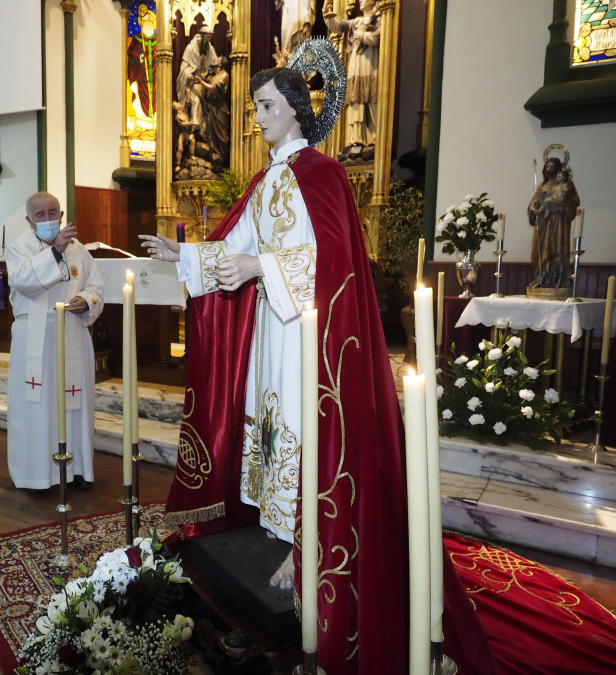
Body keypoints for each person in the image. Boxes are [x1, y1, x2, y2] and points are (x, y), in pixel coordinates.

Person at [142, 68, 499, 675]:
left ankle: (309, 545)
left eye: (265, 104)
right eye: (254, 105)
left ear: (294, 110)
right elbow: (241, 243)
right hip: (270, 334)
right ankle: (281, 533)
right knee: (275, 427)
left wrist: (260, 268)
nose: (257, 116)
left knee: (308, 430)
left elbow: (330, 259)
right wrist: (191, 254)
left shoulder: (323, 174)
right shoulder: (266, 179)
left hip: (309, 333)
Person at [5, 192, 104, 491]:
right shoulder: (18, 249)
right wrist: (55, 252)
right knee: (37, 406)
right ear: (28, 220)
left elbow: (96, 284)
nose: (48, 219)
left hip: (72, 330)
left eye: (53, 212)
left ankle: (77, 470)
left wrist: (86, 300)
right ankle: (36, 475)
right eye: (40, 214)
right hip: (34, 337)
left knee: (73, 402)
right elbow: (25, 281)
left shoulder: (79, 250)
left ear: (61, 215)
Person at [323, 0, 380, 154]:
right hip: (356, 67)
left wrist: (362, 36)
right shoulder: (356, 22)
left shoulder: (380, 18)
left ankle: (371, 138)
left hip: (371, 66)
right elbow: (337, 25)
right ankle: (355, 139)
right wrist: (326, 11)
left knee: (370, 96)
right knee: (355, 99)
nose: (360, 1)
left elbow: (378, 37)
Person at [528, 160, 580, 288]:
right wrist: (533, 207)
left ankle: (558, 279)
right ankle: (542, 278)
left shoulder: (567, 184)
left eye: (552, 166)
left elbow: (574, 201)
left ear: (558, 169)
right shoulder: (541, 186)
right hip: (544, 224)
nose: (549, 168)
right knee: (541, 250)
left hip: (559, 223)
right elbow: (535, 202)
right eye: (547, 166)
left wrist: (562, 206)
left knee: (558, 248)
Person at [192, 56, 231, 173]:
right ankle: (213, 158)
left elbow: (214, 89)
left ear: (220, 63)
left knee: (221, 136)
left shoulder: (224, 75)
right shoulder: (213, 76)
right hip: (211, 109)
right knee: (206, 131)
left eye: (217, 59)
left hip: (220, 109)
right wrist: (202, 77)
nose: (214, 60)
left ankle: (221, 162)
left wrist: (201, 82)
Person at [176, 25, 217, 130]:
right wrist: (189, 76)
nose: (208, 40)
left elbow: (214, 65)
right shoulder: (190, 48)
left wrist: (207, 73)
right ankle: (195, 125)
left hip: (205, 80)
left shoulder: (210, 49)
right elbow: (183, 68)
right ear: (202, 36)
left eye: (210, 38)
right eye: (207, 37)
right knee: (196, 100)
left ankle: (206, 128)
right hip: (191, 81)